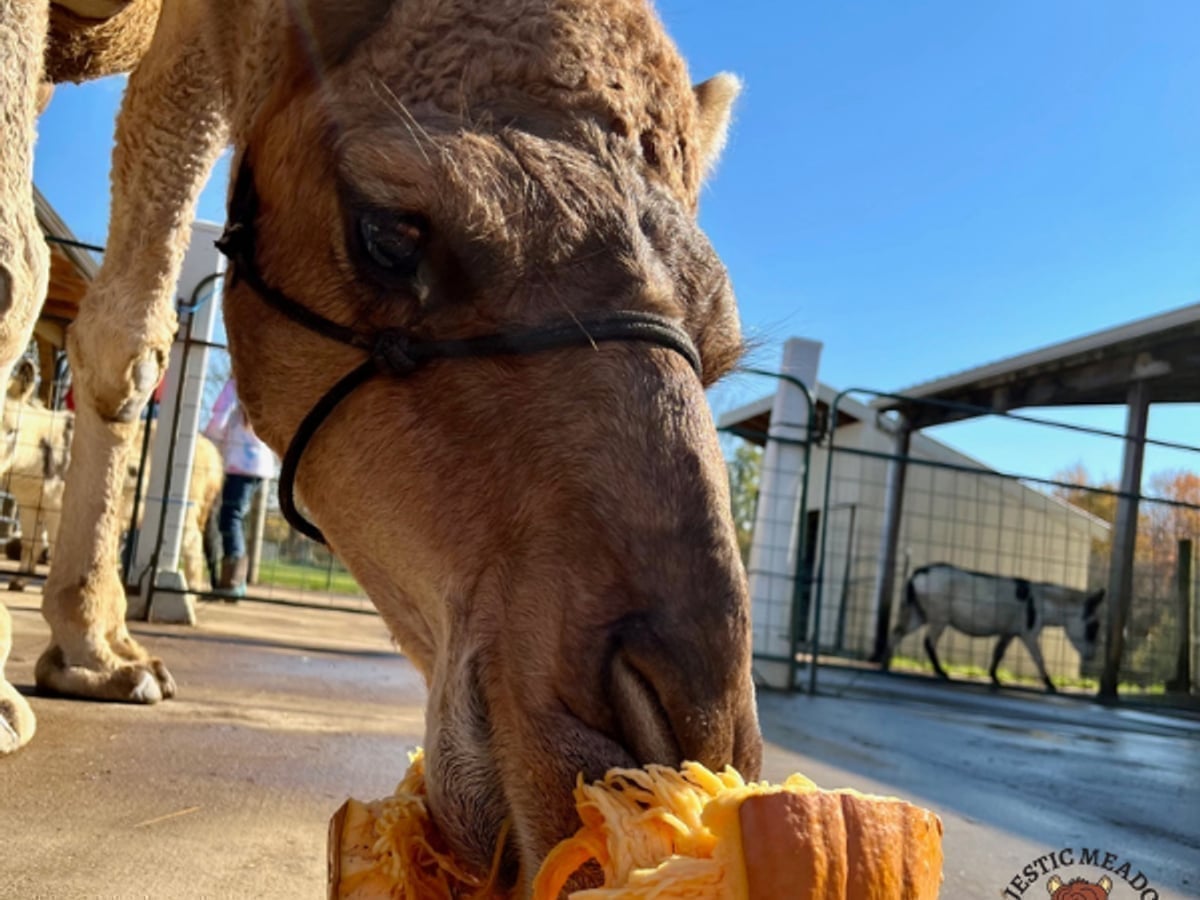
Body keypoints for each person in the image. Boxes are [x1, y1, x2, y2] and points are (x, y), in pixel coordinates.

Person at [203, 378, 276, 599]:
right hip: (258, 463)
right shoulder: (263, 383)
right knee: (234, 517)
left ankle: (233, 581)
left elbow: (218, 418)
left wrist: (207, 440)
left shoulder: (236, 383)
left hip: (239, 463)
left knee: (230, 518)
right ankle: (234, 579)